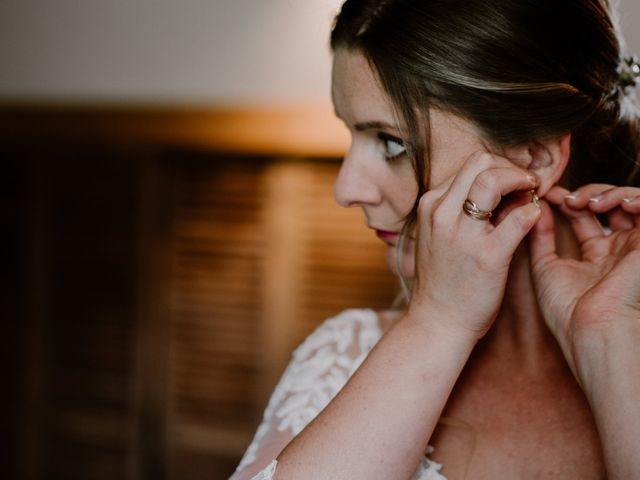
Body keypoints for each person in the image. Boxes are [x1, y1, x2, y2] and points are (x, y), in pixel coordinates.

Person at [231, 0, 640, 478]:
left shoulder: (624, 344)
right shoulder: (343, 353)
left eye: (390, 142)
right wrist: (439, 321)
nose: (347, 190)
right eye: (350, 135)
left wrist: (611, 345)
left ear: (534, 158)